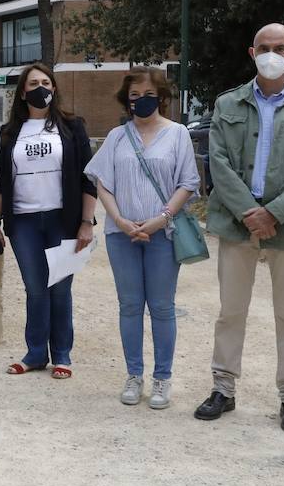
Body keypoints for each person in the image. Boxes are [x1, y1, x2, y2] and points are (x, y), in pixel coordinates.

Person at [196, 23, 284, 434]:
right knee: (231, 311)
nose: (271, 53)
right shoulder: (228, 104)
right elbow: (217, 164)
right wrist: (248, 212)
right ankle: (223, 388)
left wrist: (272, 213)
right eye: (264, 47)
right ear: (251, 52)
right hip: (238, 224)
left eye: (280, 47)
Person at [84, 68, 199, 409]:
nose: (140, 101)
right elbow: (101, 179)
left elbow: (187, 182)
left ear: (161, 96)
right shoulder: (118, 136)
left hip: (163, 233)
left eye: (147, 94)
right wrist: (118, 219)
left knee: (162, 308)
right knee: (130, 306)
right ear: (126, 99)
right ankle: (134, 375)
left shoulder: (178, 134)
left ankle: (163, 378)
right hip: (122, 235)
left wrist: (160, 218)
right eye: (134, 96)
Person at [0, 63, 97, 379]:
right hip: (23, 222)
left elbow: (89, 178)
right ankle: (35, 353)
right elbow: (0, 180)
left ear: (54, 89)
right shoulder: (10, 132)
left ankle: (62, 355)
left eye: (46, 82)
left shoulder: (72, 126)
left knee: (60, 289)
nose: (40, 88)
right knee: (36, 289)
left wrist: (87, 222)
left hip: (63, 220)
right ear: (23, 92)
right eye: (33, 83)